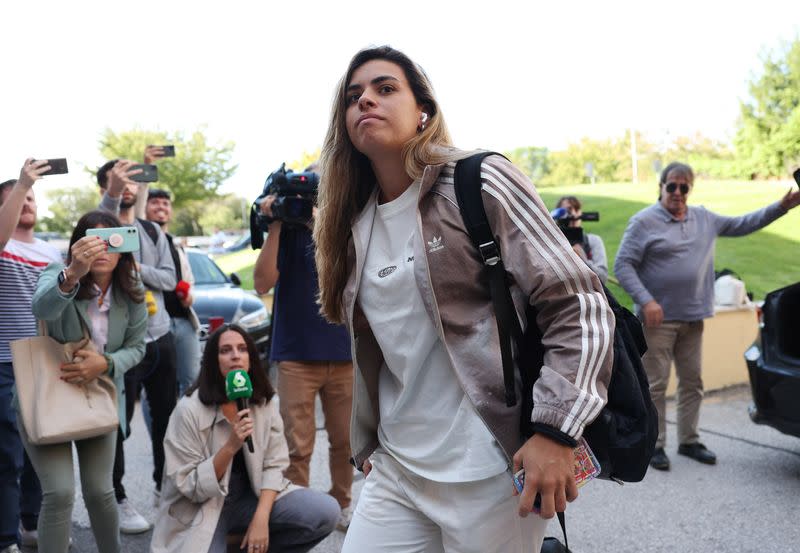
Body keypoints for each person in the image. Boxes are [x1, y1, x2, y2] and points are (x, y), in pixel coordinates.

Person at [313, 46, 613, 552]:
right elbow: (380, 348)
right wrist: (368, 440)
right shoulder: (350, 224)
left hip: (490, 472)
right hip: (397, 469)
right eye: (353, 96)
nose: (365, 100)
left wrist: (556, 431)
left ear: (423, 109)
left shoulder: (479, 181)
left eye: (385, 89)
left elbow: (578, 304)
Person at [614, 161, 800, 471]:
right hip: (657, 321)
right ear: (660, 187)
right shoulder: (642, 222)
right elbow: (622, 265)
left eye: (683, 186)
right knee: (655, 385)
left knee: (692, 382)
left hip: (692, 318)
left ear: (690, 189)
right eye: (671, 185)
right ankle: (654, 445)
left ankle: (689, 440)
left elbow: (744, 224)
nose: (677, 192)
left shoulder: (704, 218)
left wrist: (782, 207)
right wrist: (646, 301)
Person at [150, 324, 340, 553]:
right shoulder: (188, 410)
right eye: (225, 350)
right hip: (203, 505)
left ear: (250, 358)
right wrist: (230, 446)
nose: (235, 356)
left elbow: (275, 464)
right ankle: (232, 543)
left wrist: (261, 519)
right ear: (212, 360)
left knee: (326, 512)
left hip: (250, 497)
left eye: (242, 349)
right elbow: (190, 486)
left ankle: (251, 543)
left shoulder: (264, 402)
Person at [25, 209, 147, 553]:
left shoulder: (132, 290)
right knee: (59, 492)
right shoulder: (57, 274)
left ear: (124, 247)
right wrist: (71, 276)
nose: (103, 250)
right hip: (48, 396)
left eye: (112, 241)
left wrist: (105, 363)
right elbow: (42, 309)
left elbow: (138, 348)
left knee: (100, 490)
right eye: (94, 241)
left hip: (101, 395)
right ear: (79, 246)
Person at [253, 164, 354, 530]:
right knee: (297, 445)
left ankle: (341, 502)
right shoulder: (286, 232)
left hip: (344, 354)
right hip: (295, 354)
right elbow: (262, 282)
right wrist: (278, 220)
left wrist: (320, 222)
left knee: (346, 442)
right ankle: (301, 508)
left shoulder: (346, 227)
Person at [97, 159, 178, 532]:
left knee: (166, 420)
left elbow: (168, 277)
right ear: (107, 185)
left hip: (160, 337)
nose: (128, 185)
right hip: (119, 345)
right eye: (119, 180)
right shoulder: (97, 226)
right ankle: (117, 497)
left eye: (133, 179)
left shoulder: (150, 230)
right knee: (118, 426)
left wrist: (134, 270)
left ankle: (165, 489)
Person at [0, 161, 61, 553]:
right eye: (18, 198)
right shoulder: (3, 243)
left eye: (31, 197)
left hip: (43, 361)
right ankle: (7, 539)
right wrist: (22, 182)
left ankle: (33, 524)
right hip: (4, 362)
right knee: (8, 456)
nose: (27, 202)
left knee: (43, 447)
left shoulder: (51, 250)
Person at [146, 188, 201, 396]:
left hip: (185, 322)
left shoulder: (176, 244)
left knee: (192, 384)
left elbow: (190, 282)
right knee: (158, 389)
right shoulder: (142, 244)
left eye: (165, 203)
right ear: (144, 207)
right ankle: (160, 431)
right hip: (156, 325)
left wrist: (189, 296)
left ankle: (188, 429)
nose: (161, 206)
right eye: (155, 202)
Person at [554, 195, 608, 283]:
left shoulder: (593, 241)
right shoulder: (553, 243)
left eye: (577, 209)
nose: (574, 214)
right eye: (568, 210)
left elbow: (603, 278)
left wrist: (584, 260)